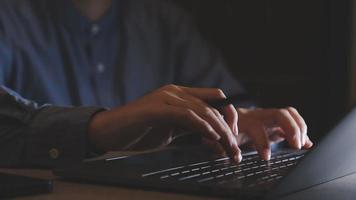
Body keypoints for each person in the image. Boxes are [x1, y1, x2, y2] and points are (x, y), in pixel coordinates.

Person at [0, 0, 313, 167]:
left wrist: (233, 123)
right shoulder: (8, 18)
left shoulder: (164, 21)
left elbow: (229, 100)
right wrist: (101, 127)